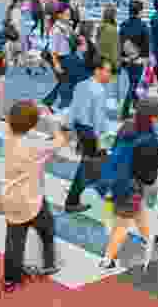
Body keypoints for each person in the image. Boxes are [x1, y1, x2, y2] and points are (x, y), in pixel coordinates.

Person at [0, 101, 68, 292]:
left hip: (9, 197)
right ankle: (49, 263)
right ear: (32, 125)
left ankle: (11, 278)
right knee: (47, 228)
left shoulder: (9, 137)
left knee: (14, 240)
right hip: (31, 199)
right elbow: (60, 141)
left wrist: (29, 108)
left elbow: (14, 120)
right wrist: (50, 118)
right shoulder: (35, 145)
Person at [98, 98, 158, 272]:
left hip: (115, 179)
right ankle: (107, 260)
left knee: (138, 212)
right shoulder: (150, 140)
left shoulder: (126, 126)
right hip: (130, 187)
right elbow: (149, 177)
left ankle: (148, 237)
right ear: (152, 118)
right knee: (122, 225)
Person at [64, 58, 113, 213]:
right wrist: (101, 142)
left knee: (92, 164)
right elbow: (98, 120)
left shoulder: (81, 85)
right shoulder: (99, 91)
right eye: (107, 71)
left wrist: (68, 127)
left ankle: (104, 190)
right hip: (91, 133)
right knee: (91, 165)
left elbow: (72, 108)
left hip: (81, 129)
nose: (109, 75)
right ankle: (73, 200)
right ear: (97, 71)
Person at [119, 0, 151, 119]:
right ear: (140, 11)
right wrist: (145, 58)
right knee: (133, 84)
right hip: (138, 59)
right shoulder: (143, 26)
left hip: (125, 59)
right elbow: (146, 45)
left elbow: (120, 42)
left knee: (131, 83)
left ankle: (136, 105)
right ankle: (125, 109)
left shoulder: (123, 24)